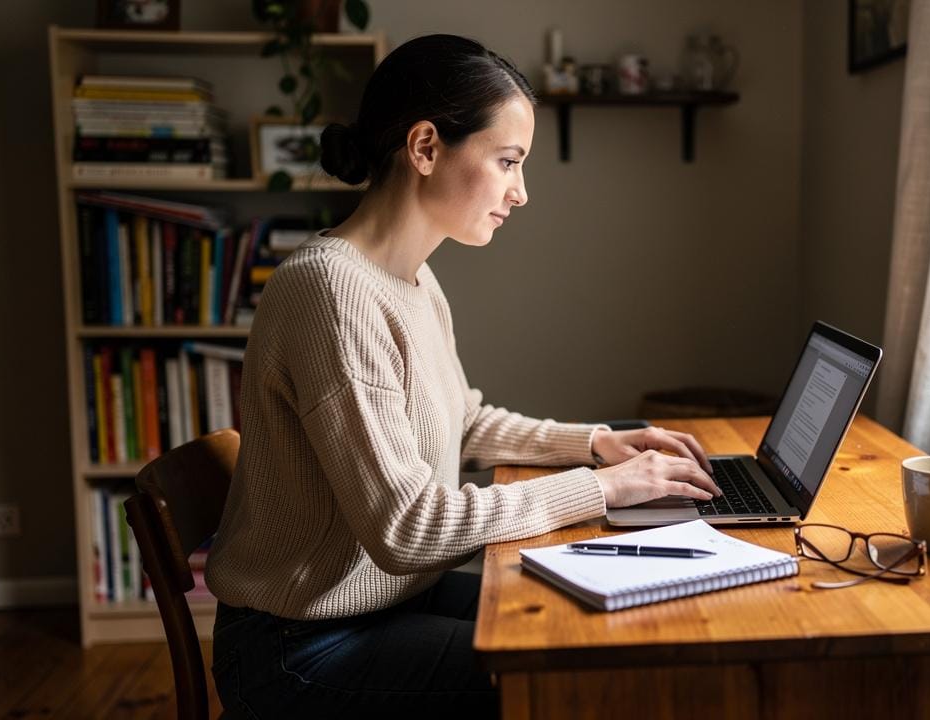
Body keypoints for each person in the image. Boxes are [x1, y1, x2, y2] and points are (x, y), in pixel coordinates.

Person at [205, 33, 722, 718]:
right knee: (578, 674)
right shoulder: (327, 292)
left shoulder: (413, 280)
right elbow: (408, 528)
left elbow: (464, 418)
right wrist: (602, 489)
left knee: (601, 619)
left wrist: (600, 443)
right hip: (301, 648)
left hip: (384, 605)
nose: (522, 191)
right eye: (508, 161)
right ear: (425, 148)